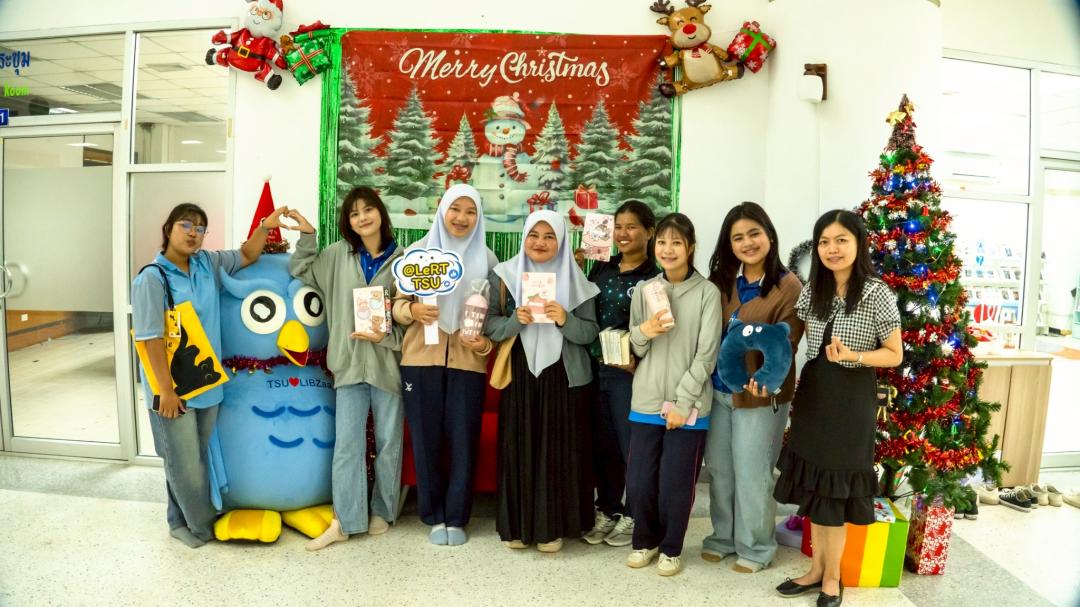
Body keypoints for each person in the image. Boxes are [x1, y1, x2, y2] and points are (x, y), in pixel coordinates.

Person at [132, 201, 288, 548]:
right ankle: (200, 527)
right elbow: (149, 339)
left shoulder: (208, 263)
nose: (193, 233)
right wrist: (166, 391)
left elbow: (247, 255)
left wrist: (266, 225)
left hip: (207, 384)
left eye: (200, 228)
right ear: (168, 229)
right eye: (186, 225)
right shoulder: (152, 278)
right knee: (183, 462)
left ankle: (177, 519)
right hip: (172, 389)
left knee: (192, 457)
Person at [773, 210, 902, 606]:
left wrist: (855, 356)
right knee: (816, 489)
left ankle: (833, 578)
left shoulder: (877, 292)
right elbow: (801, 341)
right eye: (824, 242)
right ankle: (815, 570)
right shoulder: (814, 289)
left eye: (841, 240)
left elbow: (894, 354)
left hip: (851, 397)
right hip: (815, 395)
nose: (832, 249)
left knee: (836, 491)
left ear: (859, 243)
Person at [287, 187, 406, 550]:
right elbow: (301, 268)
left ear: (380, 213)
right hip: (349, 363)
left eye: (368, 210)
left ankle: (383, 511)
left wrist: (386, 336)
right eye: (354, 214)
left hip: (388, 364)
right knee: (347, 445)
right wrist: (308, 235)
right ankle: (345, 520)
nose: (362, 218)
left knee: (389, 442)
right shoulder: (337, 255)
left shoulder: (402, 260)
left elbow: (410, 319)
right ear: (348, 222)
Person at [484, 210, 600, 553]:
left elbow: (590, 332)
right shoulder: (504, 276)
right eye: (534, 235)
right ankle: (517, 527)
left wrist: (565, 319)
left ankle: (552, 529)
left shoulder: (577, 282)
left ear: (561, 241)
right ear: (524, 237)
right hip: (519, 372)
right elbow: (489, 324)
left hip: (564, 376)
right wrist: (514, 321)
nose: (540, 242)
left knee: (557, 449)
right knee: (518, 445)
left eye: (550, 236)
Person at [391, 184, 498, 546]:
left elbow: (496, 317)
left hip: (468, 362)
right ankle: (434, 516)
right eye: (455, 209)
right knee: (426, 439)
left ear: (479, 217)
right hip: (421, 359)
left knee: (464, 441)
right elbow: (396, 306)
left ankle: (457, 516)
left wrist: (485, 344)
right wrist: (413, 309)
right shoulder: (417, 253)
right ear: (442, 210)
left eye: (470, 211)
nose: (462, 218)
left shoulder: (489, 260)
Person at [701, 202, 804, 573]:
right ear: (729, 244)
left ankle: (757, 547)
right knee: (720, 469)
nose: (747, 243)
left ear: (770, 236)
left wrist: (767, 381)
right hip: (718, 392)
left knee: (753, 473)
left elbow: (786, 343)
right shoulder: (721, 281)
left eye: (754, 234)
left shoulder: (788, 286)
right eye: (738, 237)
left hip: (760, 397)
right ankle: (723, 538)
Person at [624, 212, 722, 576]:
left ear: (690, 247)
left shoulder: (708, 293)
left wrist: (683, 403)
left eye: (676, 242)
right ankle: (644, 541)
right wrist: (646, 330)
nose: (668, 249)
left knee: (674, 484)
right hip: (646, 400)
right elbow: (635, 346)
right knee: (639, 482)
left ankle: (670, 548)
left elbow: (706, 355)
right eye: (662, 242)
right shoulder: (646, 290)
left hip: (689, 406)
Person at [583, 200, 659, 547]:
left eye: (631, 227)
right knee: (604, 446)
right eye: (617, 227)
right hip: (594, 368)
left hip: (629, 373)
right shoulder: (601, 267)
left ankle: (635, 514)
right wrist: (576, 267)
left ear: (649, 232)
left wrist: (638, 363)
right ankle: (608, 509)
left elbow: (661, 328)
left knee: (632, 448)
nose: (623, 234)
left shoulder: (654, 277)